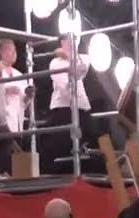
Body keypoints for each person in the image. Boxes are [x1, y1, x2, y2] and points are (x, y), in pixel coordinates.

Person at [45, 34, 106, 174]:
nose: (73, 43)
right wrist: (69, 62)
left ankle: (100, 169)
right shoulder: (55, 63)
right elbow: (65, 86)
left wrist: (69, 56)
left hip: (81, 105)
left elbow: (81, 68)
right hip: (63, 107)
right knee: (63, 143)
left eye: (75, 40)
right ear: (62, 42)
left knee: (94, 136)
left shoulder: (82, 58)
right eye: (69, 40)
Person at [0, 38, 32, 140]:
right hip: (1, 123)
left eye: (14, 50)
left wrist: (28, 95)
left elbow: (23, 103)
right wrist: (5, 91)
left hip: (17, 124)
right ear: (0, 52)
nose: (14, 53)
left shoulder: (19, 75)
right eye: (10, 50)